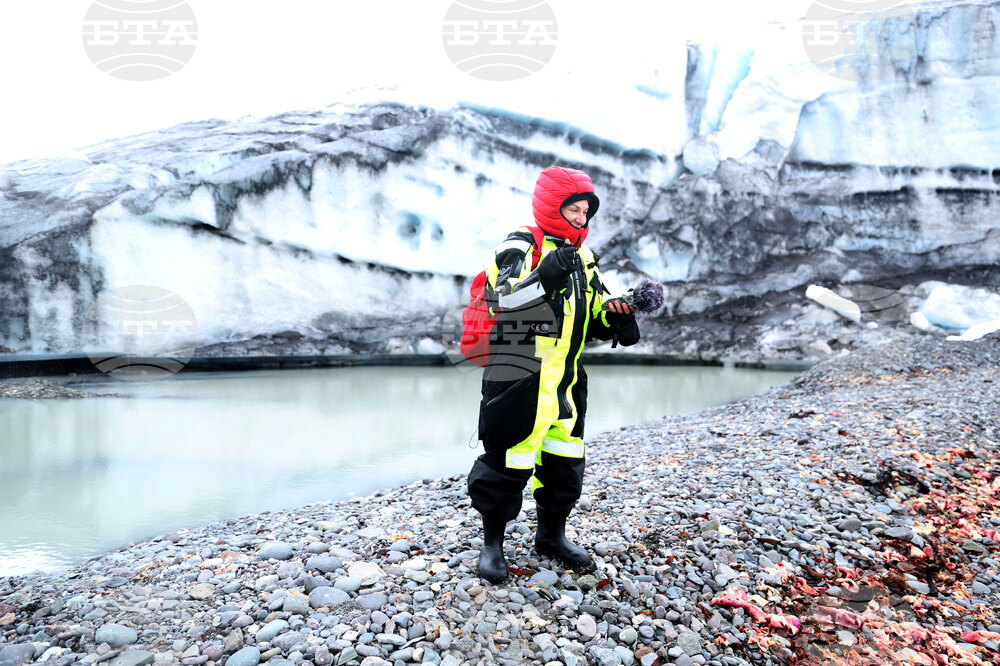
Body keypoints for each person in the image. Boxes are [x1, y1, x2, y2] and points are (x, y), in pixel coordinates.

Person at [466, 165, 640, 584]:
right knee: (507, 460)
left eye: (586, 212)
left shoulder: (584, 257)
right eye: (574, 209)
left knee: (565, 461)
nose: (581, 219)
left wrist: (615, 317)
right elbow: (503, 304)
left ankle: (551, 535)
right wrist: (545, 275)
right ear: (551, 205)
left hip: (565, 376)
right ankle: (492, 545)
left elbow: (591, 309)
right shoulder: (519, 246)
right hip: (519, 373)